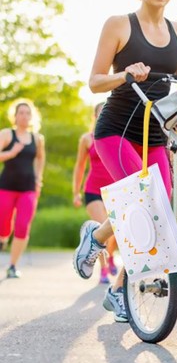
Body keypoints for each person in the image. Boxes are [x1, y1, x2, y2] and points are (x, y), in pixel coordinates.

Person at [73, 0, 177, 322]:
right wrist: (125, 74)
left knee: (160, 214)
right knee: (142, 202)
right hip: (115, 130)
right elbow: (95, 81)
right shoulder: (119, 25)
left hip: (154, 134)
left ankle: (117, 289)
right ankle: (98, 241)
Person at [72, 103, 119, 285]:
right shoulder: (87, 139)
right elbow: (79, 167)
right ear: (95, 116)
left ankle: (111, 257)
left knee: (114, 233)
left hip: (115, 191)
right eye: (100, 113)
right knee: (102, 228)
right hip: (93, 190)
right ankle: (104, 270)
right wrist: (75, 193)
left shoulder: (118, 137)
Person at [0, 99, 45, 278]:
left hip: (28, 189)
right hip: (6, 187)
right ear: (15, 115)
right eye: (21, 112)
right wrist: (11, 153)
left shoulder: (37, 138)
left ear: (31, 116)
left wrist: (38, 179)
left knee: (22, 226)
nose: (24, 116)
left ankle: (12, 265)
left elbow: (41, 159)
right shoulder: (7, 134)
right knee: (3, 223)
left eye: (27, 113)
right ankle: (3, 238)